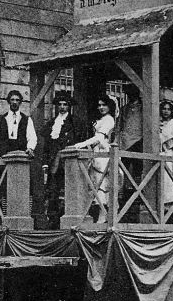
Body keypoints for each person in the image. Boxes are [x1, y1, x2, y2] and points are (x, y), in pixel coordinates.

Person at [73, 95, 117, 223]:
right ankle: (101, 215)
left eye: (104, 105)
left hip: (104, 152)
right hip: (97, 152)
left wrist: (82, 144)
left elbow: (100, 137)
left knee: (102, 183)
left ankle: (104, 216)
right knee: (96, 183)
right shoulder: (102, 119)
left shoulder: (109, 120)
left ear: (109, 106)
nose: (101, 107)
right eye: (99, 105)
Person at [41, 91, 77, 229]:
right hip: (53, 163)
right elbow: (46, 146)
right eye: (60, 104)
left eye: (65, 104)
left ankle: (69, 219)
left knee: (69, 190)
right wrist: (45, 162)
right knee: (52, 191)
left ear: (69, 106)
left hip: (68, 162)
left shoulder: (74, 123)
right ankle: (53, 219)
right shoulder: (51, 123)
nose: (62, 107)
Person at [0, 90, 37, 162]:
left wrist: (30, 148)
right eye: (12, 100)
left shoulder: (27, 119)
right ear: (8, 101)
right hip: (4, 157)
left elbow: (32, 137)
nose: (14, 102)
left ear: (20, 102)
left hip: (21, 157)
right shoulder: (0, 119)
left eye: (17, 100)